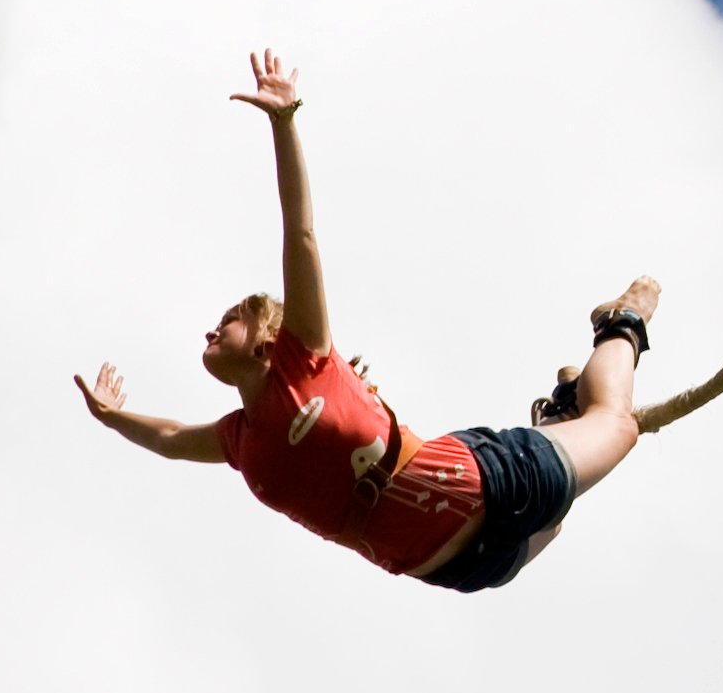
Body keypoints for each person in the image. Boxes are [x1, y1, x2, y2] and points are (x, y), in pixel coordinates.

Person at [75, 49, 652, 592]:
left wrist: (283, 125)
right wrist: (113, 416)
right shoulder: (239, 439)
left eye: (228, 321)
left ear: (266, 341)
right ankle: (563, 414)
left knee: (618, 426)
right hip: (464, 569)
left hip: (488, 485)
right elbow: (172, 439)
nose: (210, 330)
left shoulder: (305, 356)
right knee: (558, 516)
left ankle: (620, 320)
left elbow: (298, 229)